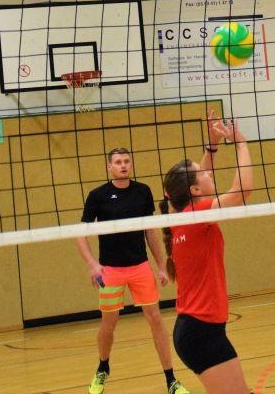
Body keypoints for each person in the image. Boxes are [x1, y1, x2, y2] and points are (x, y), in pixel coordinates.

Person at [77, 148, 188, 394]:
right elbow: (79, 234)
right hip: (110, 270)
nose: (123, 165)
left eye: (126, 161)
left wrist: (161, 265)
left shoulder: (142, 191)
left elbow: (150, 231)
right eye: (118, 162)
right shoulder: (97, 195)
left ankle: (171, 379)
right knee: (109, 324)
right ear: (109, 167)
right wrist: (93, 265)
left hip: (140, 267)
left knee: (156, 319)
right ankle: (103, 367)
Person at [160, 110, 253, 394]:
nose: (209, 172)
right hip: (201, 332)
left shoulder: (180, 217)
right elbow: (243, 191)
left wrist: (212, 147)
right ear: (194, 189)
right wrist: (241, 144)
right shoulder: (197, 214)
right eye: (203, 173)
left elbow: (195, 181)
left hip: (197, 330)